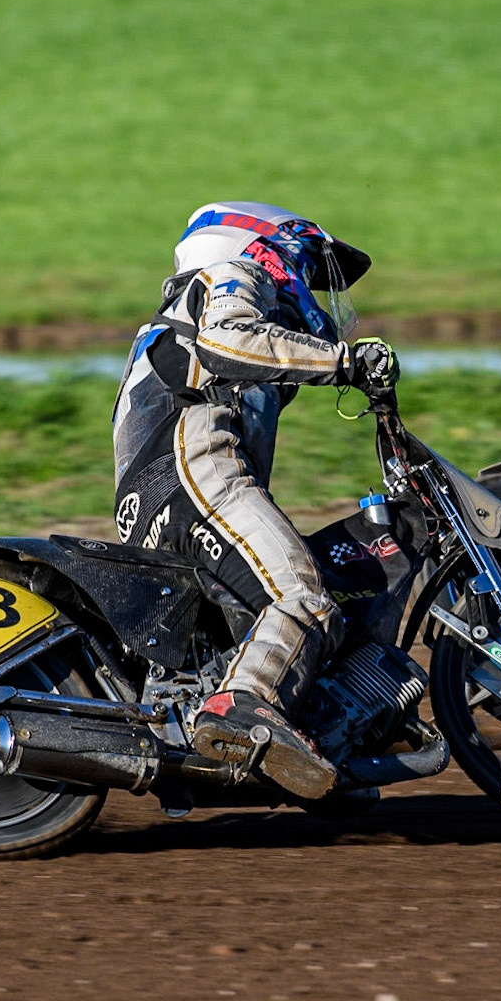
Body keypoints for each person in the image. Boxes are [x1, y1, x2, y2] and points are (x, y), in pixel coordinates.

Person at [111, 202, 398, 798]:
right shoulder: (230, 275)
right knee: (303, 597)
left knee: (280, 610)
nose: (311, 286)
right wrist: (344, 361)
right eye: (307, 264)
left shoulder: (179, 314)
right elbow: (227, 341)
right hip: (194, 465)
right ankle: (242, 707)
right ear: (267, 244)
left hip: (159, 495)